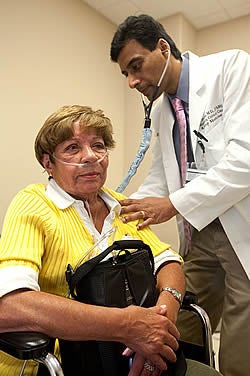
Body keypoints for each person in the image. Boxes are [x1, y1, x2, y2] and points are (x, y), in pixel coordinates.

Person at [0, 105, 222, 376]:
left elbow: (168, 262)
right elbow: (9, 306)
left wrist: (160, 322)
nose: (90, 156)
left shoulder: (118, 203)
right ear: (48, 163)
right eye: (72, 148)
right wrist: (129, 326)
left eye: (98, 145)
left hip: (130, 354)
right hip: (63, 362)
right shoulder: (34, 204)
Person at [110, 14, 250, 376]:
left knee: (239, 342)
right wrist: (118, 209)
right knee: (183, 329)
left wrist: (172, 205)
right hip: (199, 233)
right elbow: (162, 176)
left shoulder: (230, 68)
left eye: (136, 67)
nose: (131, 81)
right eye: (126, 73)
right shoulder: (162, 111)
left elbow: (245, 160)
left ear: (163, 47)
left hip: (241, 226)